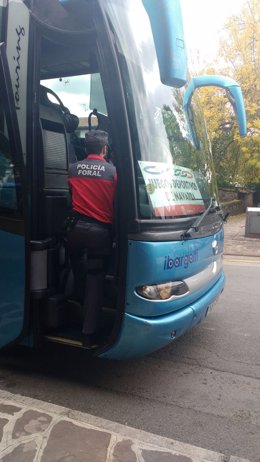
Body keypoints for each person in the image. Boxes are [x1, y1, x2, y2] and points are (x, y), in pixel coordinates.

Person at [67, 130, 117, 348]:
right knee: (95, 279)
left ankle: (77, 301)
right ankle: (88, 334)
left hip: (75, 230)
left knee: (75, 265)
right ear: (104, 149)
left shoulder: (73, 169)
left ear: (86, 148)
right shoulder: (112, 172)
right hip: (99, 233)